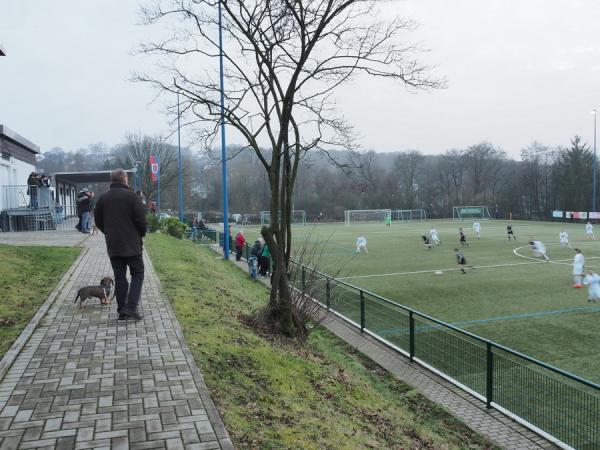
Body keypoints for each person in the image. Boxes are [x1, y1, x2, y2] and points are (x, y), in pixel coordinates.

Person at [94, 169, 147, 321]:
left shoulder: (104, 198)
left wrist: (109, 233)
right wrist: (141, 233)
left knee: (120, 277)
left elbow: (98, 221)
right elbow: (141, 220)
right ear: (125, 179)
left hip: (114, 245)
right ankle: (130, 308)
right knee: (138, 274)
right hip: (132, 244)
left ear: (112, 180)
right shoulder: (132, 197)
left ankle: (122, 310)